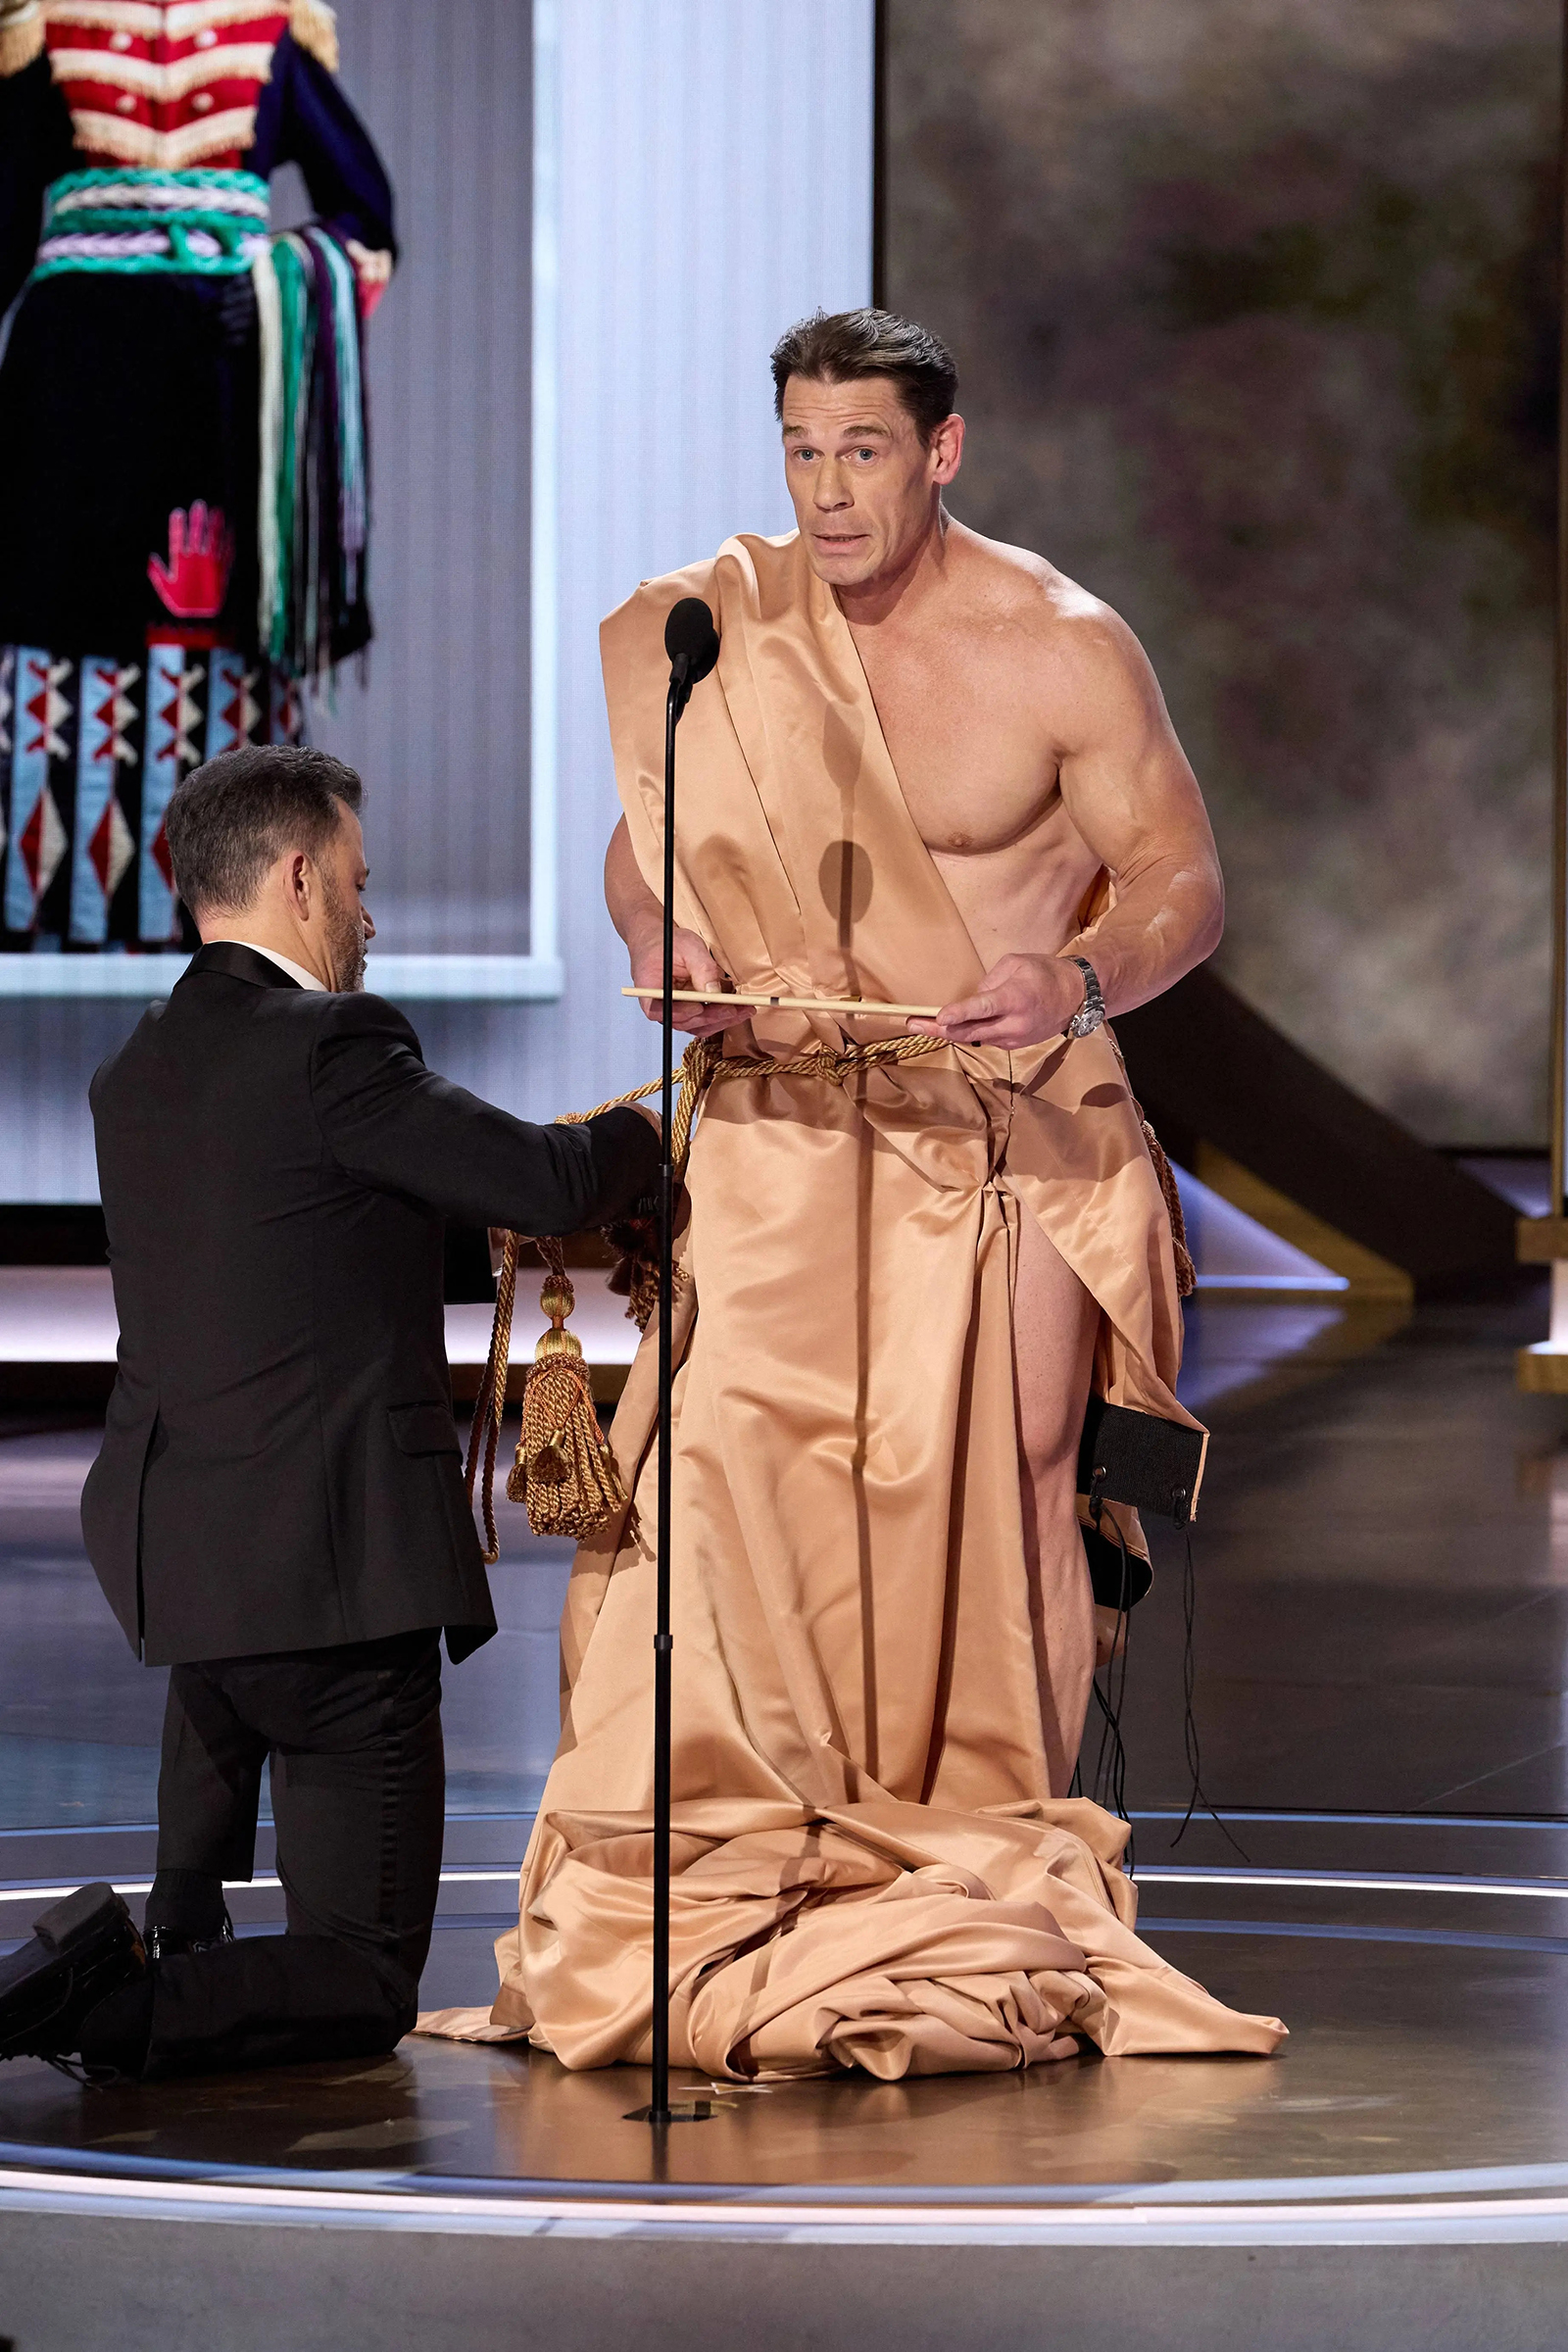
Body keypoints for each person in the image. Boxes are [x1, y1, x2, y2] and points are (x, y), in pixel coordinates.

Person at [422, 311, 1284, 2080]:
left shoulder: (1060, 646)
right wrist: (662, 941)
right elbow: (640, 841)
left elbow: (1181, 877)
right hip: (785, 1132)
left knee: (1013, 1497)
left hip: (1012, 1133)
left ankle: (1007, 1854)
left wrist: (1081, 980)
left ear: (943, 452)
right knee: (721, 1489)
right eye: (802, 451)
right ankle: (752, 1834)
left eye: (863, 452)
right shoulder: (728, 628)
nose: (825, 490)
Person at [0, 744, 660, 2082]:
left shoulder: (139, 1071)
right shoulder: (336, 1046)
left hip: (187, 1573)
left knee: (209, 1949)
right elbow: (540, 1177)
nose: (371, 916)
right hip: (330, 1580)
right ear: (301, 878)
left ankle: (123, 1966)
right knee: (361, 1977)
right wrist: (663, 1138)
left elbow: (294, 1245)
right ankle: (72, 2001)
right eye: (359, 885)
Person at [0, 0, 395, 950]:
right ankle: (52, 917)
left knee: (218, 636)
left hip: (222, 399)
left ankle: (241, 928)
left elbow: (368, 219)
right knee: (54, 629)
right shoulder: (44, 25)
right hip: (72, 402)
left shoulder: (268, 29)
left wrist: (274, 287)